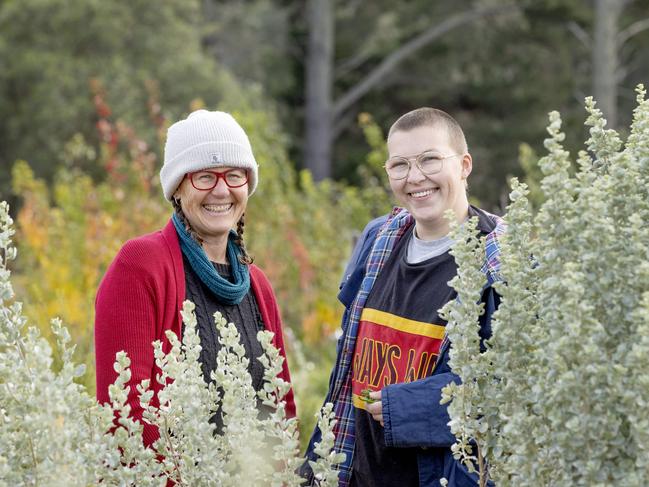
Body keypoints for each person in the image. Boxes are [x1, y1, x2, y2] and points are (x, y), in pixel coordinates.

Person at [301, 108, 505, 486]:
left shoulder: (503, 262)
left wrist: (409, 407)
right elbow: (346, 378)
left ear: (464, 165)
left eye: (429, 159)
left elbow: (512, 394)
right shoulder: (379, 239)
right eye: (399, 165)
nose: (415, 178)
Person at [95, 109, 295, 447]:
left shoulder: (256, 285)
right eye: (204, 177)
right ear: (177, 188)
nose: (221, 191)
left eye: (234, 175)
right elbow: (125, 416)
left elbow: (282, 411)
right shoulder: (140, 266)